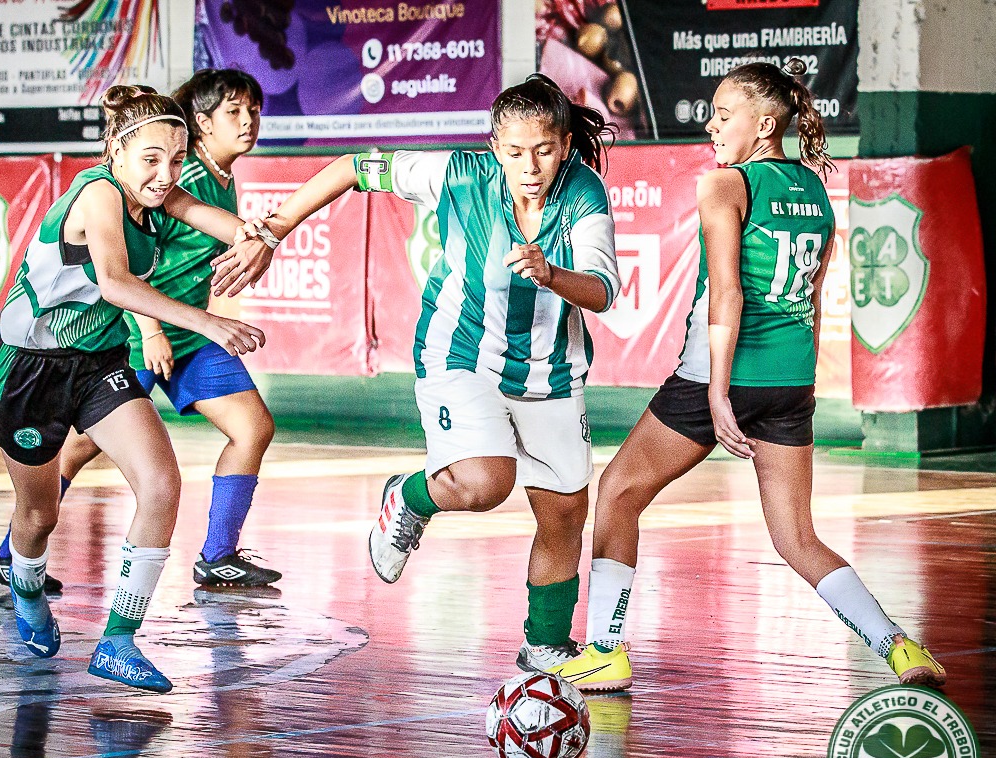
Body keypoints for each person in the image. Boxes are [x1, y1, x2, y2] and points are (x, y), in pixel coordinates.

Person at [550, 60, 946, 691]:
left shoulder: (725, 185)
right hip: (791, 380)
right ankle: (899, 648)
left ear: (765, 124)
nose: (712, 123)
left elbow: (727, 293)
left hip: (724, 374)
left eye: (724, 114)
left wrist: (716, 391)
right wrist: (799, 385)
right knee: (796, 537)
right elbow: (813, 299)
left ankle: (603, 649)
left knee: (620, 492)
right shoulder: (815, 190)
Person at [238, 74, 621, 674]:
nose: (530, 165)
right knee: (485, 481)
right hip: (459, 354)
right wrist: (272, 232)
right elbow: (353, 168)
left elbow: (601, 292)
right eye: (515, 152)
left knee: (566, 511)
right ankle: (409, 496)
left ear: (565, 145)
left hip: (551, 371)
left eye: (544, 151)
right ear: (495, 147)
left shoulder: (584, 195)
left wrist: (550, 275)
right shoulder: (457, 173)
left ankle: (544, 643)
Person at [0, 83, 274, 693]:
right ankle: (27, 587)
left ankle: (117, 641)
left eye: (175, 159)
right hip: (33, 368)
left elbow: (220, 220)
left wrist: (262, 237)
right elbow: (115, 282)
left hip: (97, 363)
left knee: (161, 483)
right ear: (115, 150)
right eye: (151, 160)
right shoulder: (97, 195)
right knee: (37, 516)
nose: (166, 174)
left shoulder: (160, 193)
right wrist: (206, 320)